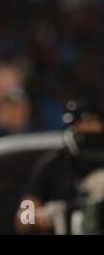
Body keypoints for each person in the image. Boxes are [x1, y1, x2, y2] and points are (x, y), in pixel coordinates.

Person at [15, 99, 104, 234]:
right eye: (80, 124)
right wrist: (40, 216)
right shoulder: (53, 164)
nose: (86, 128)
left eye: (92, 122)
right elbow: (23, 217)